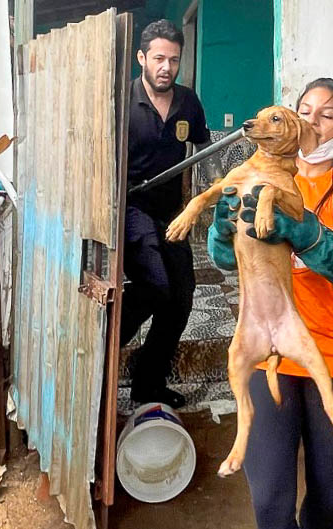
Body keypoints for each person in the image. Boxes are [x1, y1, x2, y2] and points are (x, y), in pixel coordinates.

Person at [207, 78, 333, 529]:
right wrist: (221, 229)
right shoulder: (256, 175)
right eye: (303, 110)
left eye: (326, 115)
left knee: (327, 498)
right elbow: (225, 260)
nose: (310, 121)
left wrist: (307, 233)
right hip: (269, 355)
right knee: (270, 504)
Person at [122, 19, 223, 409]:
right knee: (156, 287)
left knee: (180, 300)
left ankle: (148, 382)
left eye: (174, 60)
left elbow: (204, 149)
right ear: (142, 58)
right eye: (159, 58)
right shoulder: (124, 101)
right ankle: (107, 346)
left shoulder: (187, 101)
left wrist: (219, 191)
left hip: (172, 213)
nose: (166, 67)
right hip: (132, 209)